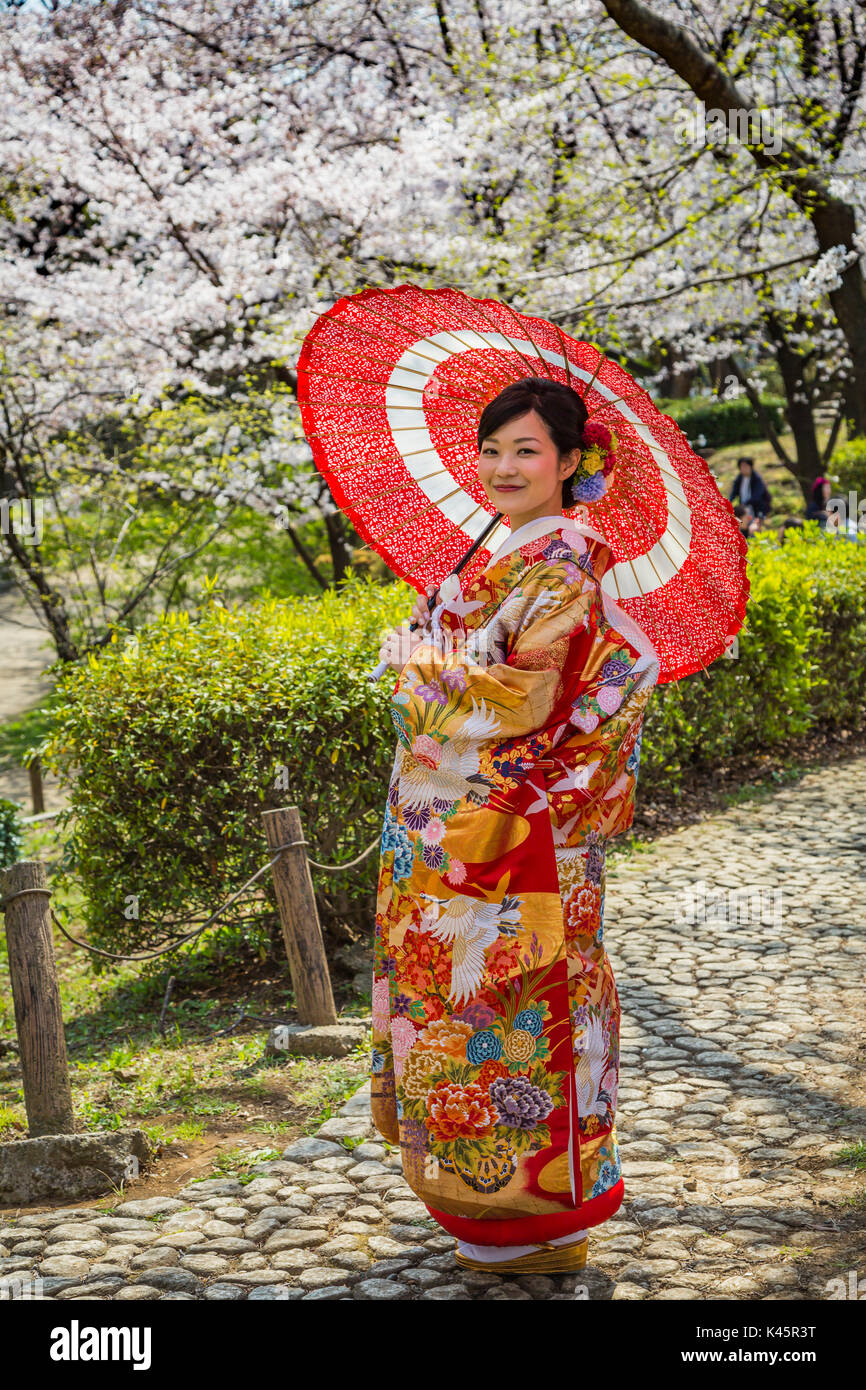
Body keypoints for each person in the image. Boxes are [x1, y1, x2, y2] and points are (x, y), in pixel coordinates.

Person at [372, 377, 660, 1275]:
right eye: (492, 449)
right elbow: (469, 665)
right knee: (447, 1009)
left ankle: (541, 1220)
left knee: (520, 1012)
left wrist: (416, 663)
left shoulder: (568, 557)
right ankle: (479, 1213)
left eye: (526, 450)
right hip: (443, 829)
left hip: (514, 829)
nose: (503, 467)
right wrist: (431, 640)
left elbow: (528, 696)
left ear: (571, 463)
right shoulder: (493, 549)